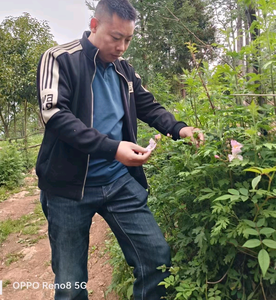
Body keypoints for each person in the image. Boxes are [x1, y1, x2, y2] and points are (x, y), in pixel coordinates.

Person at [36, 0, 204, 299]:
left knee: (156, 259)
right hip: (67, 188)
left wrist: (180, 129)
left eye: (128, 39)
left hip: (118, 182)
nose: (122, 47)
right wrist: (113, 148)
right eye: (116, 38)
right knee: (70, 280)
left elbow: (148, 106)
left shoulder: (123, 70)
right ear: (94, 26)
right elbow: (55, 116)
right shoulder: (60, 58)